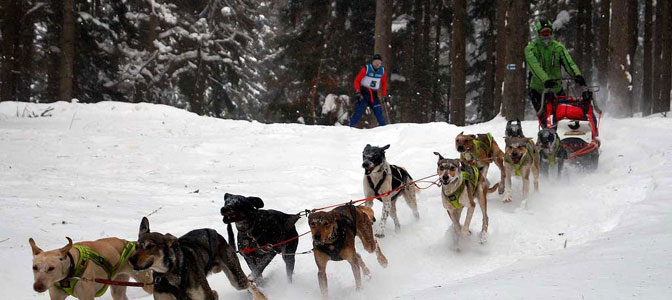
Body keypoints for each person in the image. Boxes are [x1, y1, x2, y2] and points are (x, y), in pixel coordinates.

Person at [525, 17, 586, 129]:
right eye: (543, 33)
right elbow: (535, 67)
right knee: (544, 117)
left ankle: (564, 136)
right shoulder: (531, 49)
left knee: (563, 112)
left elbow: (569, 63)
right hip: (538, 90)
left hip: (556, 88)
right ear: (538, 34)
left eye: (548, 33)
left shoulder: (558, 48)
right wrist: (545, 80)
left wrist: (577, 75)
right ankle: (546, 135)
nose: (546, 36)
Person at [349, 54, 390, 127]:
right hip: (364, 93)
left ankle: (384, 129)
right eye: (375, 62)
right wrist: (358, 91)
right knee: (358, 112)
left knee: (379, 113)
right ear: (372, 62)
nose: (377, 64)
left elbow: (384, 84)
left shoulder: (382, 71)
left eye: (379, 62)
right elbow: (357, 80)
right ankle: (350, 127)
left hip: (374, 95)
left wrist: (384, 95)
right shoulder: (367, 69)